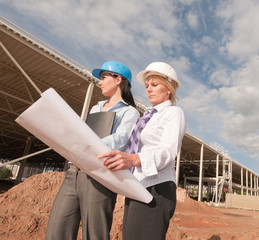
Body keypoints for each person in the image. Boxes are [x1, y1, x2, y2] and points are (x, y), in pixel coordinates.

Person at [45, 61, 139, 240]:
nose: (99, 82)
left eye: (103, 77)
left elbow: (120, 139)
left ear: (118, 79)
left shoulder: (130, 112)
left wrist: (87, 146)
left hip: (99, 175)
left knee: (94, 233)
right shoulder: (96, 107)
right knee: (57, 229)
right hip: (74, 173)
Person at [98, 62, 186, 240]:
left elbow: (168, 152)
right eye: (147, 86)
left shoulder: (173, 113)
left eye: (154, 85)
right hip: (138, 186)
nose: (148, 90)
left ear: (168, 89)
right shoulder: (146, 116)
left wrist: (133, 159)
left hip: (157, 189)